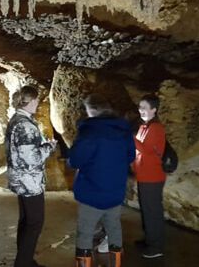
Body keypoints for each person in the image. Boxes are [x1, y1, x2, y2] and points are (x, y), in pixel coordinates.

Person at [69, 95, 135, 267]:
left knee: (85, 233)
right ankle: (116, 264)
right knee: (114, 228)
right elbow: (130, 156)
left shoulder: (89, 131)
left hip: (92, 192)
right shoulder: (123, 130)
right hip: (115, 191)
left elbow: (75, 160)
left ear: (92, 110)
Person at [6, 85, 56, 267]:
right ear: (31, 100)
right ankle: (22, 263)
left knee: (26, 220)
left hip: (20, 178)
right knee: (35, 222)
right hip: (29, 181)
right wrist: (48, 147)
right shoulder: (25, 125)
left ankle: (26, 260)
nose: (38, 103)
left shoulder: (16, 119)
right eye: (37, 100)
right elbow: (32, 159)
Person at [134, 94, 167, 259]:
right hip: (143, 175)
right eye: (140, 107)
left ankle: (156, 246)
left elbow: (146, 150)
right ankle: (149, 239)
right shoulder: (143, 127)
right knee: (146, 210)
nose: (141, 110)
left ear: (154, 110)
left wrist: (130, 138)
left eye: (144, 108)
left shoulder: (156, 128)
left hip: (152, 177)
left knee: (152, 211)